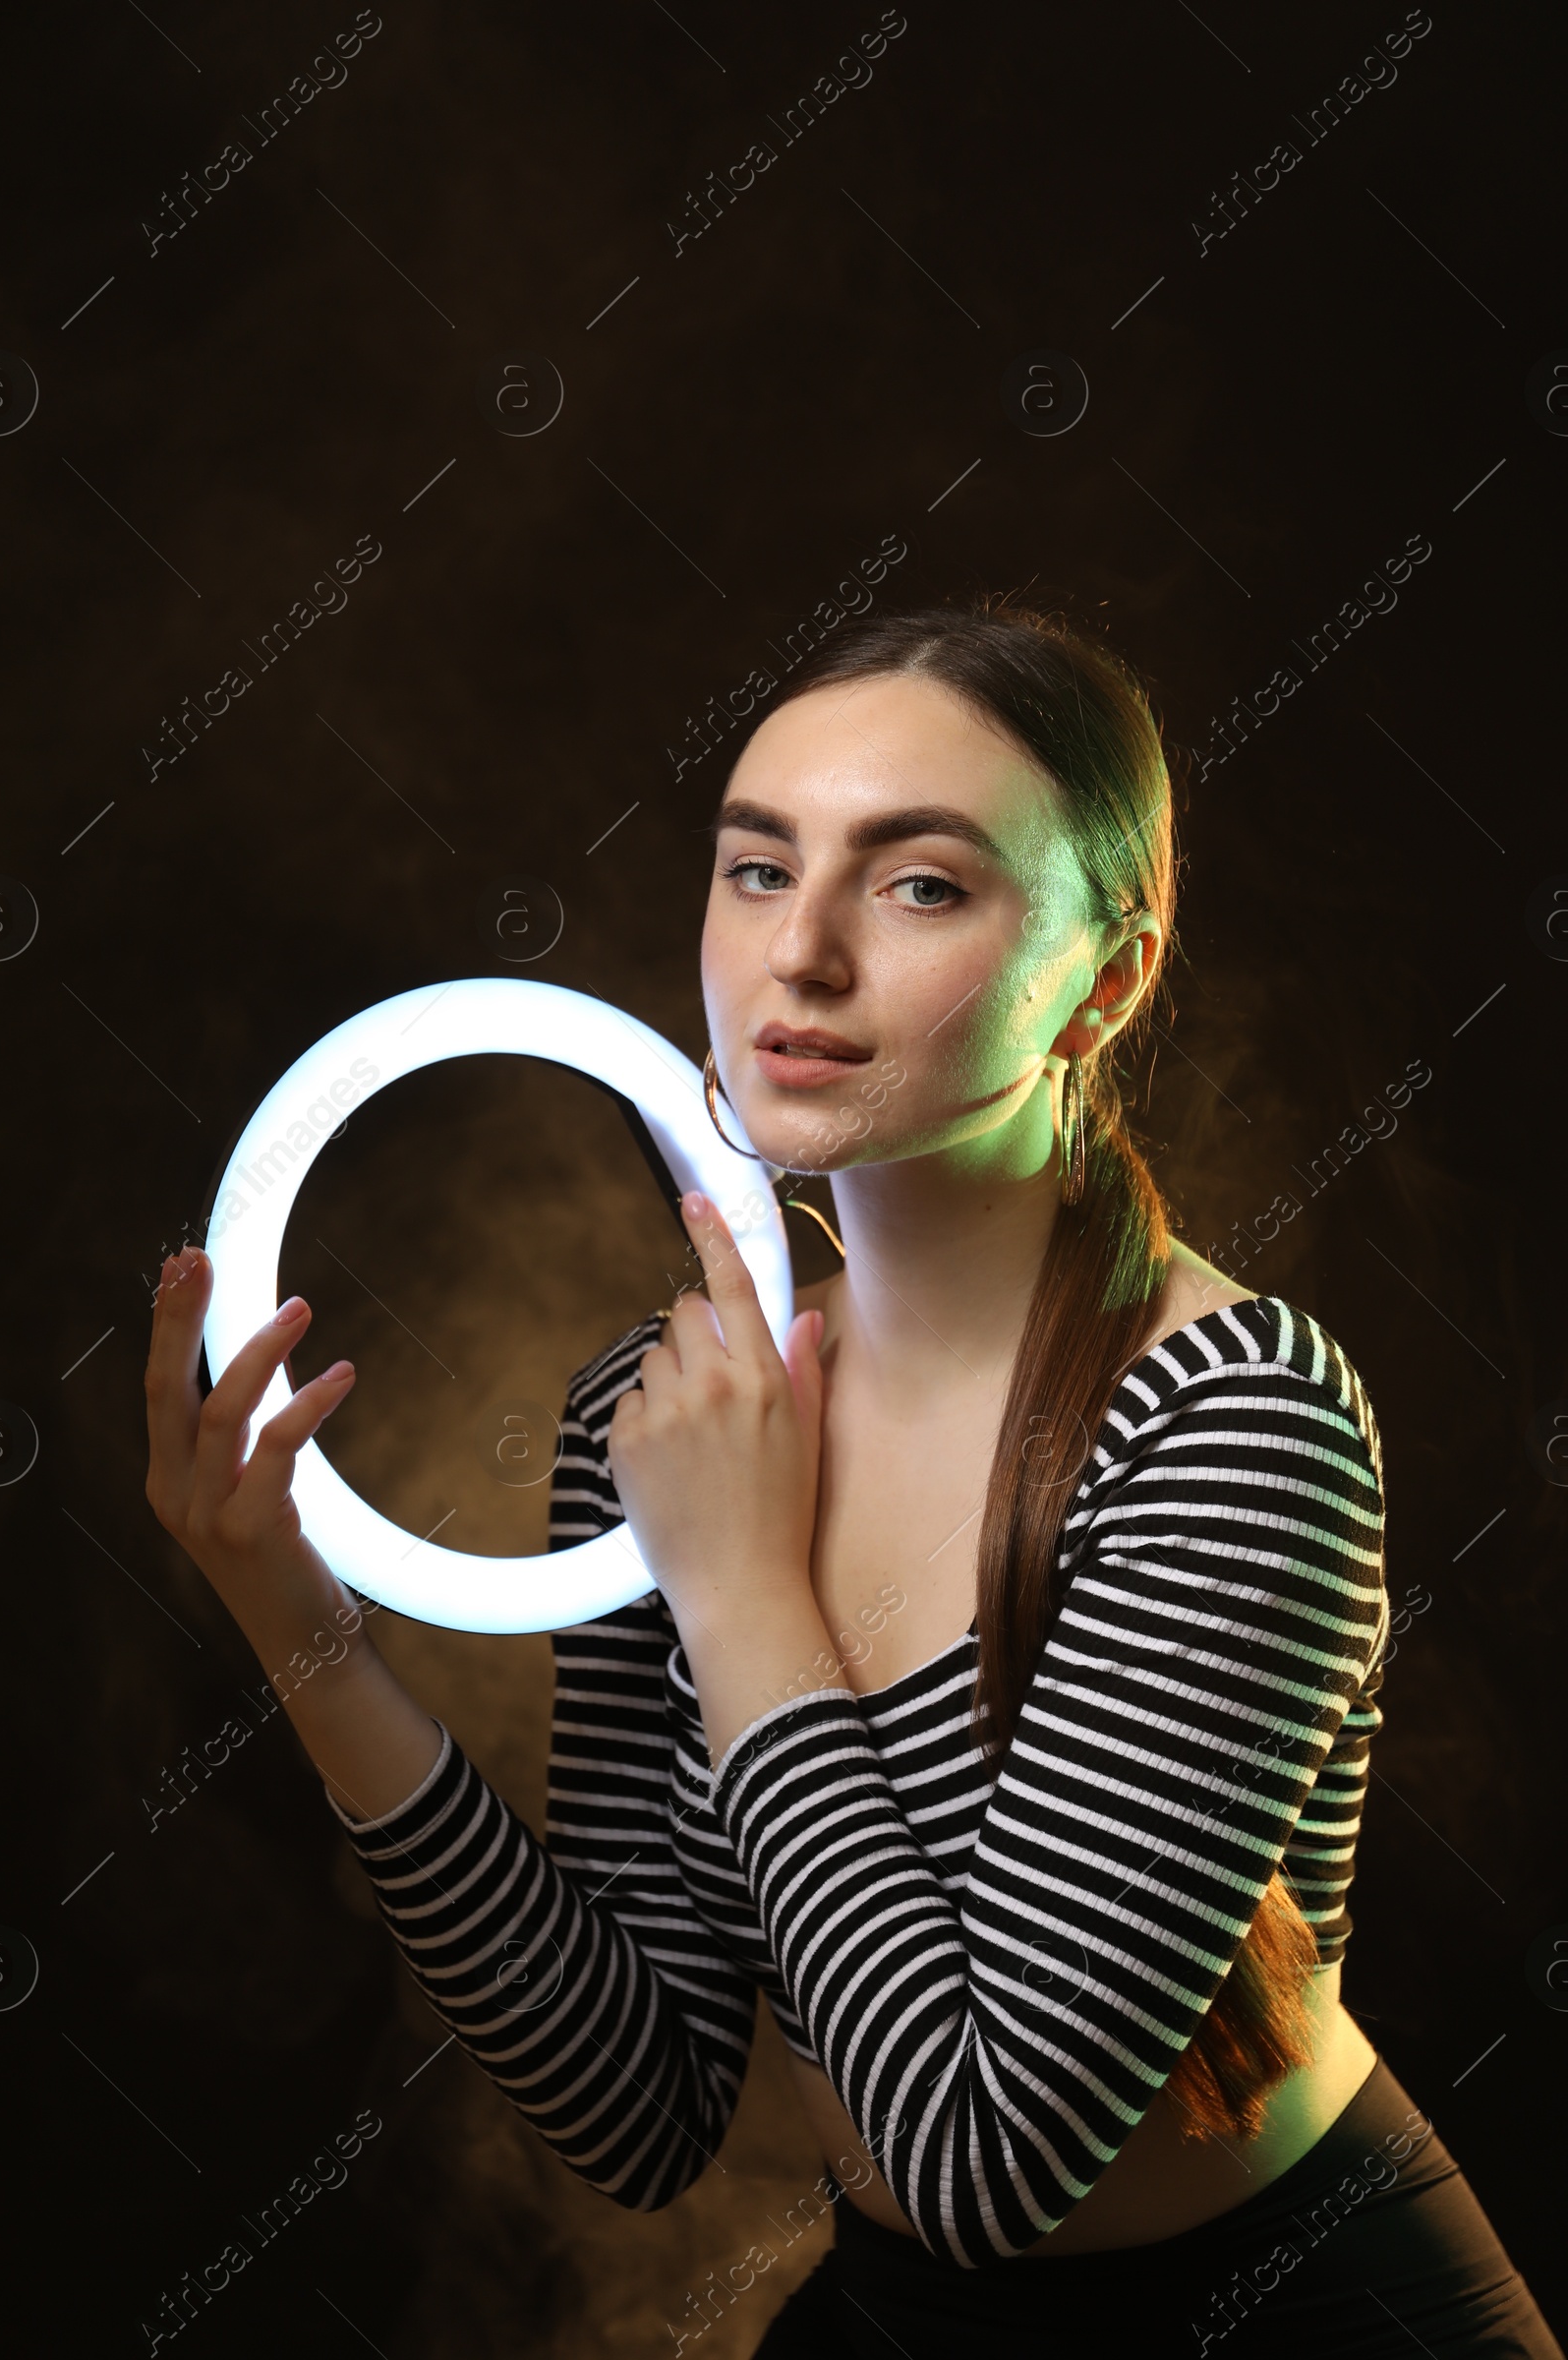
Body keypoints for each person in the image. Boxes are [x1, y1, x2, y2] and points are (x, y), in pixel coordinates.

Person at [144, 601, 1561, 2357]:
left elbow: (976, 2159)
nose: (798, 955)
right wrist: (302, 1623)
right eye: (756, 868)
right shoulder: (653, 1424)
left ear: (1107, 977)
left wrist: (741, 1592)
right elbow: (636, 2108)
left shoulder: (1234, 1419)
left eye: (919, 885)